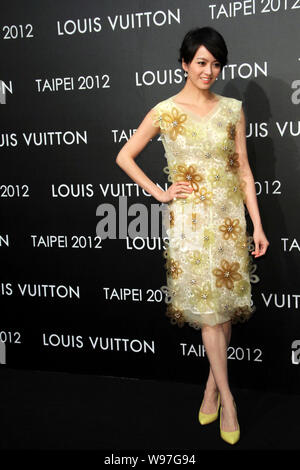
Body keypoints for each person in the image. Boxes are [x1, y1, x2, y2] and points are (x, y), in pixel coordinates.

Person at [116, 26, 269, 445]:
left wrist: (257, 224)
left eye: (216, 64)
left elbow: (243, 170)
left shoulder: (233, 109)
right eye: (201, 62)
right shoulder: (166, 110)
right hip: (189, 225)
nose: (209, 71)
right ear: (184, 63)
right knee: (210, 314)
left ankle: (210, 388)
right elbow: (124, 155)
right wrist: (160, 193)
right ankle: (230, 400)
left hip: (228, 221)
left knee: (220, 308)